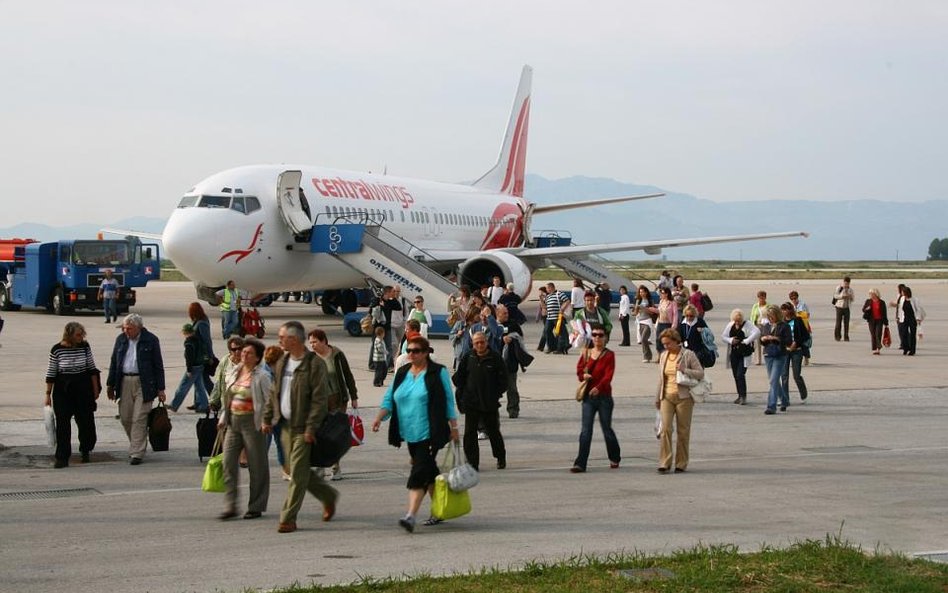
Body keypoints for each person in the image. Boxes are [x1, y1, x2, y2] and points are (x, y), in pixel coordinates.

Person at [371, 335, 460, 533]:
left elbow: (448, 401)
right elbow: (389, 398)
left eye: (416, 351)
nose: (412, 354)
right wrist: (379, 417)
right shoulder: (402, 372)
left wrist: (454, 428)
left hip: (431, 432)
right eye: (409, 351)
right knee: (428, 473)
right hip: (409, 432)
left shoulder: (438, 372)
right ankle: (441, 509)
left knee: (418, 471)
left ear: (426, 352)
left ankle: (410, 515)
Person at [262, 321, 338, 534]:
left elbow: (319, 400)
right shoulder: (282, 362)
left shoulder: (314, 364)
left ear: (293, 339)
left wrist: (311, 429)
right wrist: (267, 418)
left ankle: (287, 518)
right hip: (285, 425)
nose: (279, 340)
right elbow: (273, 393)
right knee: (297, 469)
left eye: (282, 337)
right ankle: (327, 495)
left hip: (304, 427)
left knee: (297, 475)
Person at [218, 338, 272, 520]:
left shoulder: (262, 376)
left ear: (257, 358)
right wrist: (223, 417)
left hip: (252, 423)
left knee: (257, 466)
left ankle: (256, 505)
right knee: (228, 463)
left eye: (249, 353)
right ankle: (230, 505)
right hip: (234, 422)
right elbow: (229, 397)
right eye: (243, 352)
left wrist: (266, 421)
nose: (244, 355)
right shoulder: (235, 372)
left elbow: (270, 401)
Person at [106, 313, 166, 465]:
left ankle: (137, 452)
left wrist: (161, 389)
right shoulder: (120, 340)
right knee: (126, 417)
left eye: (129, 329)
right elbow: (114, 362)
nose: (126, 331)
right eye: (124, 328)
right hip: (124, 381)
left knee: (139, 417)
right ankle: (137, 443)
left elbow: (158, 366)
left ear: (139, 328)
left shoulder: (151, 340)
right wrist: (110, 384)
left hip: (144, 383)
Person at [45, 322, 100, 468]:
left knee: (86, 422)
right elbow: (51, 373)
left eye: (82, 334)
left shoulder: (85, 347)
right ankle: (62, 457)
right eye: (78, 335)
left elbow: (92, 369)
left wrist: (95, 390)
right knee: (63, 424)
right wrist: (47, 394)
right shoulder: (57, 350)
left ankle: (86, 449)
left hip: (83, 389)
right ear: (69, 335)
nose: (81, 337)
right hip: (63, 391)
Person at [453, 331, 508, 471]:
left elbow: (504, 381)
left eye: (482, 342)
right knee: (470, 433)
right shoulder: (468, 357)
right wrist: (464, 394)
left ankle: (500, 457)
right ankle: (472, 462)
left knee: (493, 432)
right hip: (472, 403)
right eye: (476, 342)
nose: (479, 345)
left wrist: (495, 394)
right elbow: (459, 377)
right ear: (472, 343)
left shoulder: (495, 358)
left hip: (489, 403)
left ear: (486, 342)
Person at [308, 328, 358, 481]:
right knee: (319, 433)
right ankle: (320, 467)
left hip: (337, 399)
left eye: (315, 342)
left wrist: (354, 396)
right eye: (310, 343)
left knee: (333, 435)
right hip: (318, 401)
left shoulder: (336, 354)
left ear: (323, 341)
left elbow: (347, 375)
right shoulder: (310, 358)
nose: (312, 345)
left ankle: (336, 467)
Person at [570, 324, 620, 473]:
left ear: (605, 338)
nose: (597, 338)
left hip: (604, 397)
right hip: (588, 398)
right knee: (586, 430)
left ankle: (614, 456)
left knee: (607, 429)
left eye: (600, 335)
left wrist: (598, 387)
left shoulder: (609, 355)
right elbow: (579, 371)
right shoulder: (586, 353)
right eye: (595, 335)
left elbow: (608, 375)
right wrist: (583, 375)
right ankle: (580, 463)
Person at [654, 328, 703, 473]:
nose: (666, 346)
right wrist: (657, 397)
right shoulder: (663, 356)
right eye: (664, 344)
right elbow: (661, 378)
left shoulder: (688, 355)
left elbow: (700, 373)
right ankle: (665, 461)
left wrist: (684, 370)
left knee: (683, 431)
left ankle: (681, 463)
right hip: (667, 396)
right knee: (665, 429)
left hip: (684, 398)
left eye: (668, 343)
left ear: (676, 342)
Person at [496, 304, 529, 419]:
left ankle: (513, 410)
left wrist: (513, 338)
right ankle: (492, 410)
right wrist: (501, 339)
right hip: (495, 362)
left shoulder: (513, 325)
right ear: (497, 314)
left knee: (512, 388)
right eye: (504, 313)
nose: (507, 315)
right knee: (493, 388)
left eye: (507, 313)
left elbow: (521, 339)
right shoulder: (493, 325)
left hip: (510, 361)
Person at [169, 323, 209, 413]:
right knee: (199, 386)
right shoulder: (198, 339)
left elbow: (189, 358)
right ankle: (204, 405)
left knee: (183, 387)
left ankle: (174, 405)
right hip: (200, 365)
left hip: (193, 367)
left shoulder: (189, 343)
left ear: (186, 332)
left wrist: (189, 370)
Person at [760, 305, 791, 414]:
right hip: (768, 354)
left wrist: (777, 339)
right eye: (768, 316)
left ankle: (771, 406)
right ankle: (784, 400)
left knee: (773, 380)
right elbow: (762, 340)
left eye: (772, 316)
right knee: (773, 381)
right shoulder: (766, 326)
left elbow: (788, 342)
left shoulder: (784, 326)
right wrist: (763, 339)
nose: (770, 318)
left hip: (780, 355)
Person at [780, 302, 810, 403]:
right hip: (785, 351)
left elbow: (805, 336)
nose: (784, 312)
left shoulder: (798, 320)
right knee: (784, 375)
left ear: (790, 310)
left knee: (796, 375)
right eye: (782, 310)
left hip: (797, 351)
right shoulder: (781, 322)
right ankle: (785, 398)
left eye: (786, 309)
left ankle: (803, 393)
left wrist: (796, 343)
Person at [209, 336, 245, 411]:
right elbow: (218, 382)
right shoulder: (225, 361)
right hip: (227, 403)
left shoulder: (248, 362)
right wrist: (213, 400)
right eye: (234, 349)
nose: (237, 351)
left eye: (240, 349)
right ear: (230, 351)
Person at [188, 302, 216, 392]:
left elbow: (207, 341)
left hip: (203, 355)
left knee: (204, 379)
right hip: (198, 355)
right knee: (198, 380)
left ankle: (215, 399)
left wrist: (210, 356)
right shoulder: (199, 320)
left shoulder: (202, 323)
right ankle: (199, 402)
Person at [897, 286, 925, 356]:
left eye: (903, 292)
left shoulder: (914, 300)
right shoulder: (902, 299)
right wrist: (898, 317)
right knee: (904, 334)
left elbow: (918, 309)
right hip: (904, 319)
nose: (901, 293)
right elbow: (900, 308)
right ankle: (906, 348)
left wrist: (918, 318)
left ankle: (912, 350)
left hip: (912, 319)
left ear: (906, 292)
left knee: (913, 335)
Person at [861, 288, 889, 355]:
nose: (870, 295)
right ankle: (874, 348)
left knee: (878, 334)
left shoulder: (882, 302)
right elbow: (863, 309)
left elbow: (884, 313)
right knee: (873, 334)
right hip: (871, 320)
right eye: (870, 294)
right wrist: (867, 309)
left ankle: (878, 348)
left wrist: (886, 323)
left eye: (871, 294)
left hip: (880, 320)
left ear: (876, 294)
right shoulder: (868, 301)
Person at [633, 285, 655, 363]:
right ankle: (647, 356)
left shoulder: (650, 301)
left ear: (646, 292)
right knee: (643, 341)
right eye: (640, 292)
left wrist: (644, 308)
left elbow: (652, 312)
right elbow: (635, 313)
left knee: (644, 339)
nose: (642, 293)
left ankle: (647, 356)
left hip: (648, 321)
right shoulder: (638, 301)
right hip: (640, 321)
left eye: (643, 292)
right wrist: (636, 309)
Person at [788, 290, 811, 365]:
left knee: (805, 343)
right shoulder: (790, 306)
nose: (794, 300)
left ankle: (806, 358)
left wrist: (799, 314)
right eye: (792, 299)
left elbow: (807, 314)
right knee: (795, 342)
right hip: (794, 326)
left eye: (795, 298)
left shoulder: (803, 304)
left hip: (803, 325)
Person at [654, 287, 678, 356]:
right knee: (658, 340)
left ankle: (666, 355)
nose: (661, 294)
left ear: (667, 294)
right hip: (660, 323)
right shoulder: (661, 301)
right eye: (661, 293)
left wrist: (673, 326)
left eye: (663, 293)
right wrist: (651, 309)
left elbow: (675, 315)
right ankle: (660, 355)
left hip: (668, 324)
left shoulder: (672, 303)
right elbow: (659, 311)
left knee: (667, 340)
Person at [749, 290, 769, 365]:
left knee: (766, 341)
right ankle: (757, 360)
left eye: (763, 297)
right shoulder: (755, 306)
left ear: (765, 297)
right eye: (760, 297)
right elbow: (752, 316)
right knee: (756, 343)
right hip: (757, 325)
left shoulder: (769, 306)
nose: (761, 299)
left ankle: (768, 356)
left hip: (766, 325)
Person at [833, 276, 854, 342]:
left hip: (847, 307)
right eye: (845, 283)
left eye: (847, 283)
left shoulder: (850, 290)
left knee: (846, 323)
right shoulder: (839, 288)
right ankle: (837, 336)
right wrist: (842, 296)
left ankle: (846, 336)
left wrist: (850, 297)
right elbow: (835, 296)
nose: (846, 285)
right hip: (839, 307)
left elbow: (853, 299)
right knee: (838, 323)